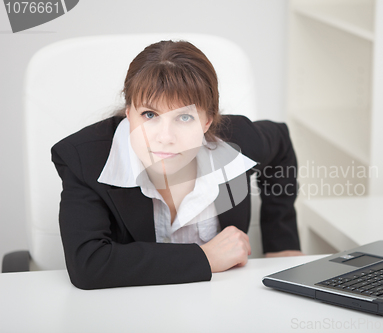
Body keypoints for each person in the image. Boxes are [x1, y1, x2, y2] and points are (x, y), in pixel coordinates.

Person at [51, 40, 302, 290]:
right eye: (149, 115)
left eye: (184, 117)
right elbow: (89, 265)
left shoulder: (237, 141)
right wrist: (205, 257)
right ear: (129, 113)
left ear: (207, 122)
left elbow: (281, 146)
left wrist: (281, 243)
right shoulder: (84, 158)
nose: (165, 137)